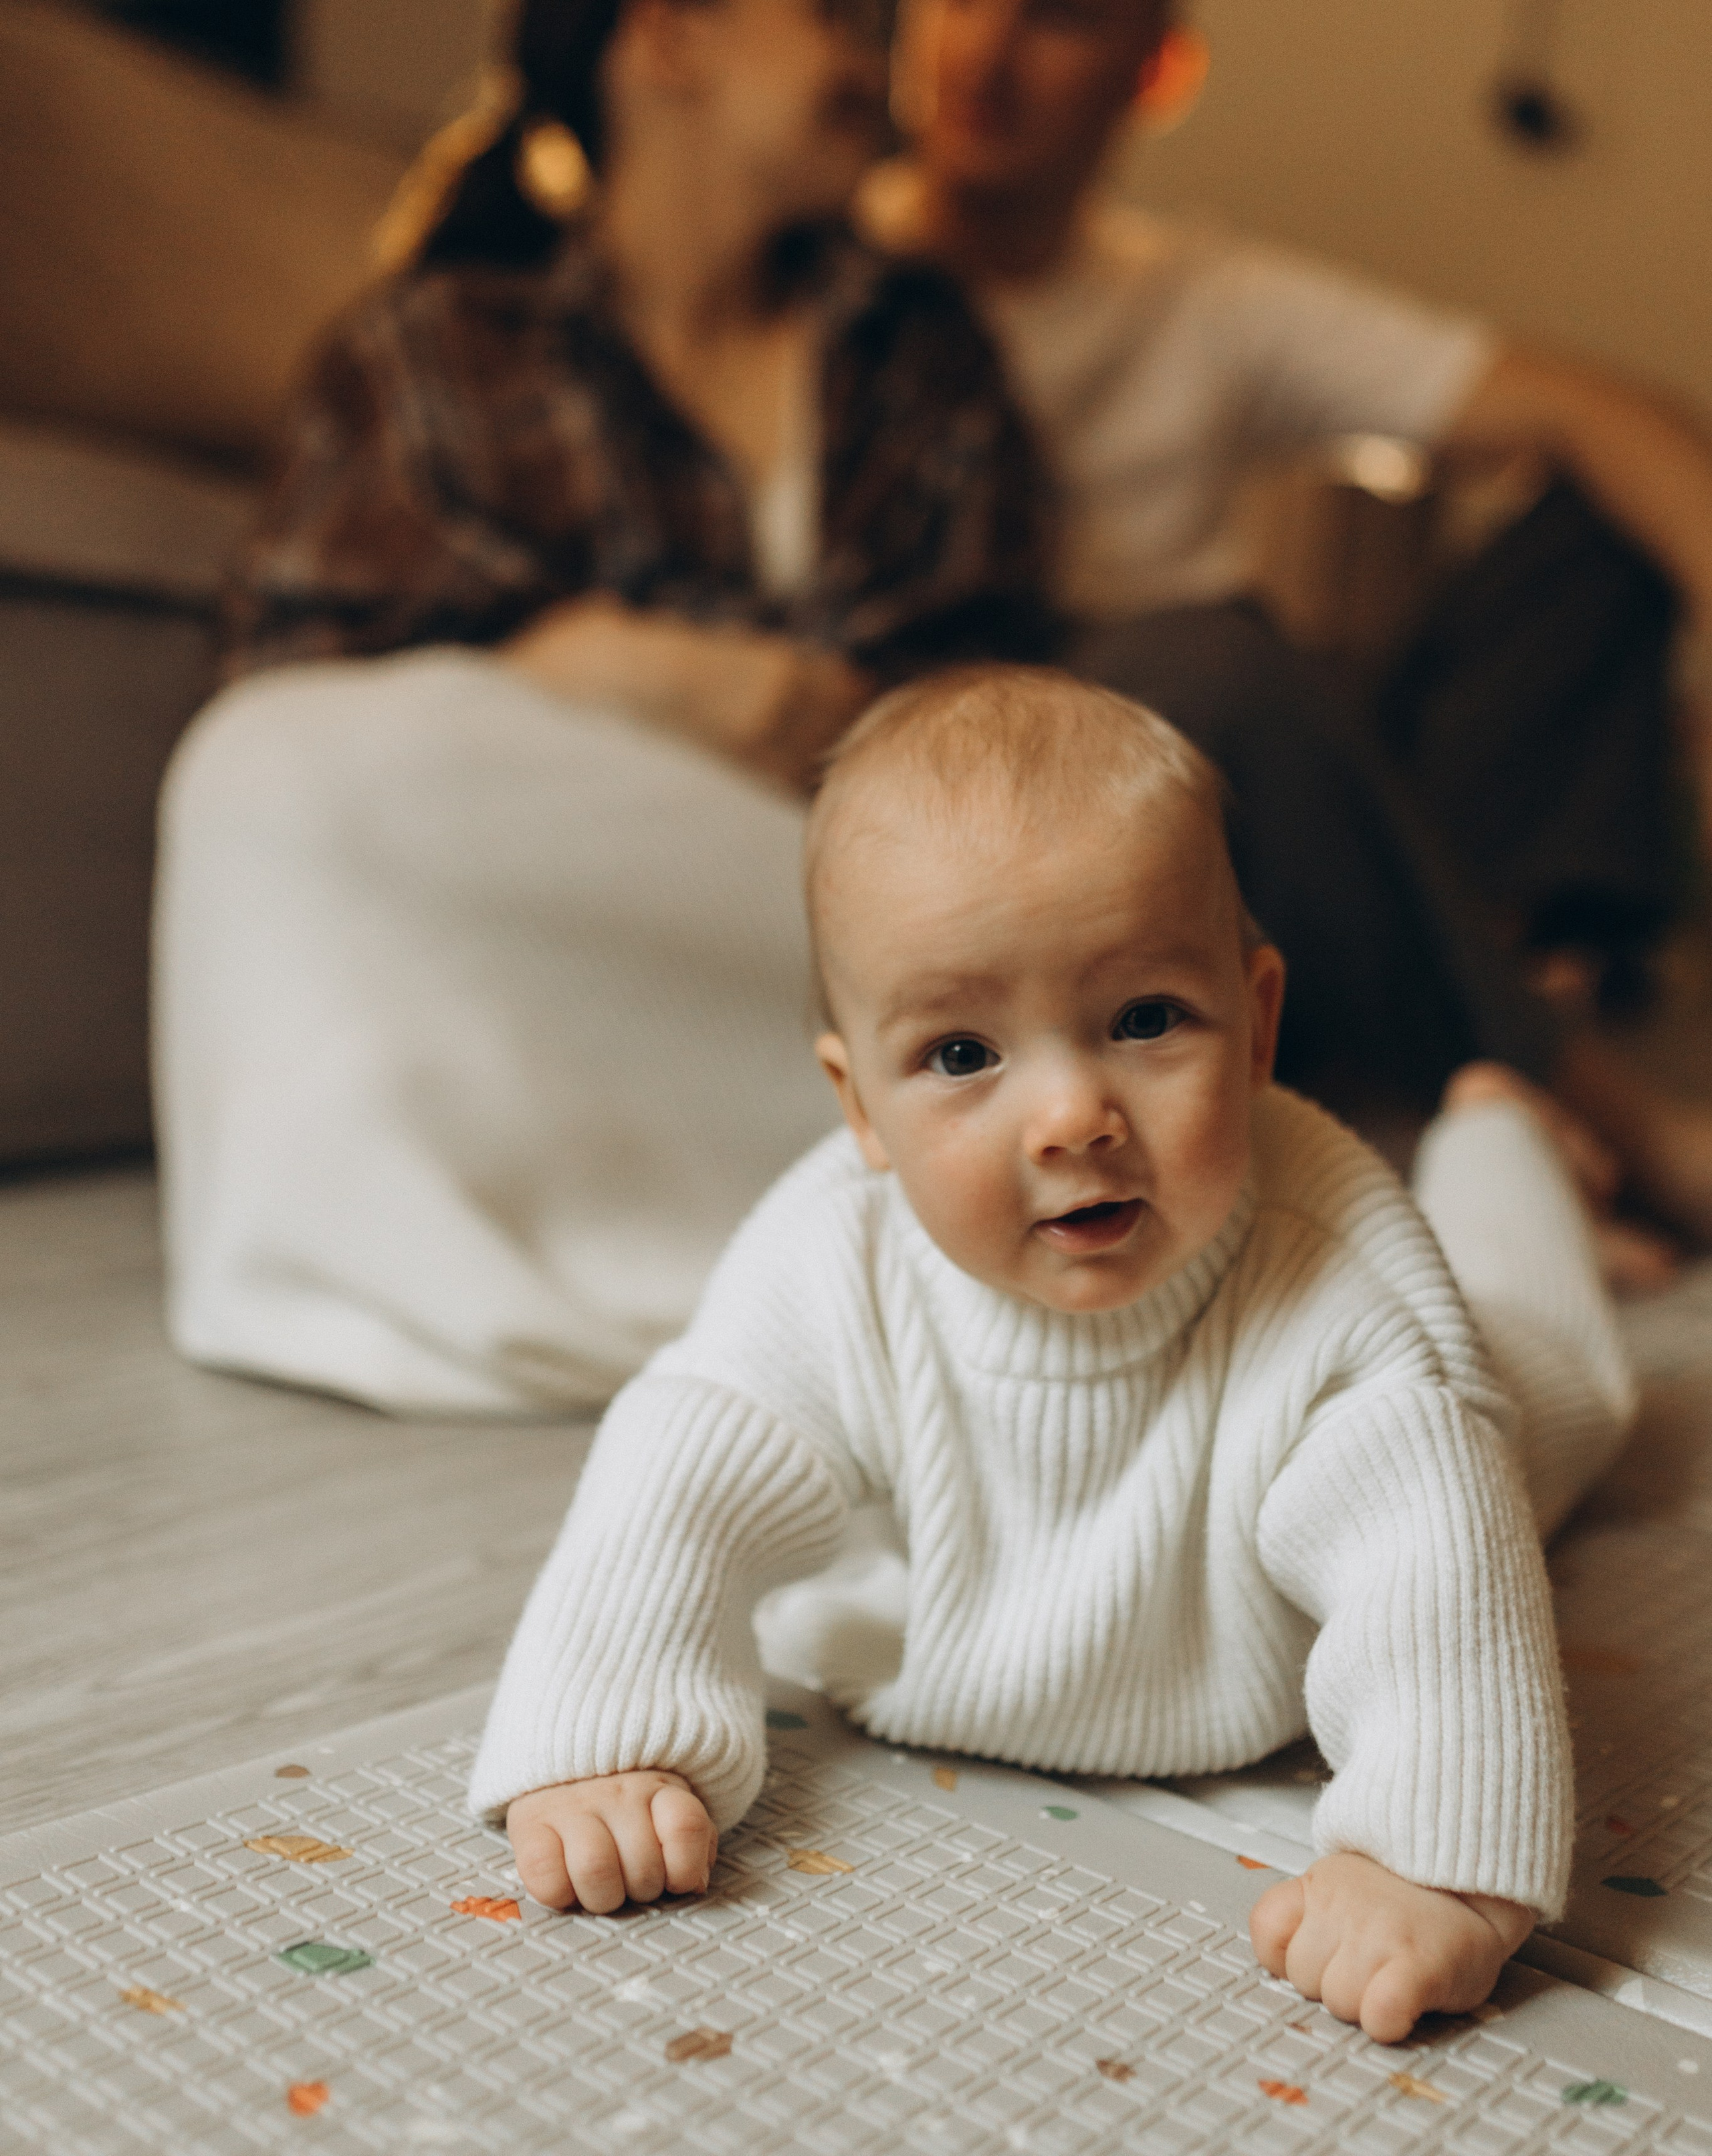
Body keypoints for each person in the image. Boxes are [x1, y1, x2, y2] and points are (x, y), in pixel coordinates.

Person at [473, 668, 1634, 2044]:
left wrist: (1429, 1861)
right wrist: (607, 1737)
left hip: (1470, 1404)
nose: (1071, 1115)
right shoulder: (830, 1267)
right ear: (860, 1106)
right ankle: (1486, 1121)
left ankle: (1499, 1132)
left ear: (1255, 1026)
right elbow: (682, 1466)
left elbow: (1432, 1564)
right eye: (962, 1051)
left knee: (1557, 1357)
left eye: (1143, 1020)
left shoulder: (1344, 1304)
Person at [153, 0, 1052, 1415]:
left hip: (839, 885)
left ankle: (852, 1219)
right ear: (669, 39)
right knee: (257, 771)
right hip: (545, 868)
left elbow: (1004, 700)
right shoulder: (440, 347)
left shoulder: (917, 348)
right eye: (830, 9)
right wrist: (602, 664)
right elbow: (288, 663)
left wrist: (808, 716)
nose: (872, 67)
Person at [861, 0, 1712, 1237]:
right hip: (1097, 787)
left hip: (1280, 789)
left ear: (1158, 68)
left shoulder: (1197, 296)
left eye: (1053, 12)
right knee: (1216, 667)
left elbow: (1595, 412)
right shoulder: (827, 288)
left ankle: (1495, 967)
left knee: (1592, 525)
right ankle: (1603, 1109)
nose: (981, 56)